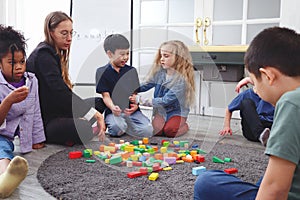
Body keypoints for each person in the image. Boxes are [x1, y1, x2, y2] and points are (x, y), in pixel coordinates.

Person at [194, 26, 300, 200]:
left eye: (255, 83)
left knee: (206, 182)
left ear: (268, 76)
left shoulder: (291, 102)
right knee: (263, 179)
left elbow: (275, 189)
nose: (255, 89)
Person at [27, 11, 106, 145]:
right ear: (51, 32)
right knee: (84, 128)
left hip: (58, 109)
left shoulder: (54, 52)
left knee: (99, 102)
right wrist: (92, 114)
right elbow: (60, 92)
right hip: (46, 119)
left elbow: (62, 96)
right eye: (64, 33)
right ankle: (76, 127)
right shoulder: (43, 55)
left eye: (71, 33)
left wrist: (88, 112)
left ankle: (75, 125)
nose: (69, 38)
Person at [0, 25, 46, 198]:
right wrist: (9, 100)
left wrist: (37, 138)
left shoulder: (31, 81)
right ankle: (4, 178)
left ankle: (6, 178)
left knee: (3, 147)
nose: (19, 67)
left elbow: (34, 111)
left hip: (5, 137)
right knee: (1, 149)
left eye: (22, 61)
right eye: (12, 63)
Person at [96, 34, 153, 138]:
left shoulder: (131, 71)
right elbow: (106, 96)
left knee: (148, 131)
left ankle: (126, 126)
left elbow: (134, 94)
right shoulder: (101, 72)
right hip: (114, 112)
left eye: (127, 53)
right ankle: (123, 126)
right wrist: (113, 107)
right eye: (122, 54)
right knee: (116, 129)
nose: (126, 57)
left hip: (132, 111)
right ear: (110, 54)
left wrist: (135, 106)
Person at [136, 40, 195, 138]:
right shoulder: (160, 73)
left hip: (176, 112)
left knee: (170, 131)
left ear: (179, 58)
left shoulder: (181, 80)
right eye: (161, 56)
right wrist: (130, 88)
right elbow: (146, 84)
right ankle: (167, 124)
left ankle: (185, 126)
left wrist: (141, 100)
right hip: (161, 111)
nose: (162, 59)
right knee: (156, 131)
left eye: (166, 56)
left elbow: (166, 100)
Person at [219, 76, 274, 146]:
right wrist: (227, 126)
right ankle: (261, 135)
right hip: (252, 129)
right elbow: (228, 109)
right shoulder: (247, 94)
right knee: (246, 102)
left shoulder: (272, 94)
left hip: (270, 127)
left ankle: (267, 137)